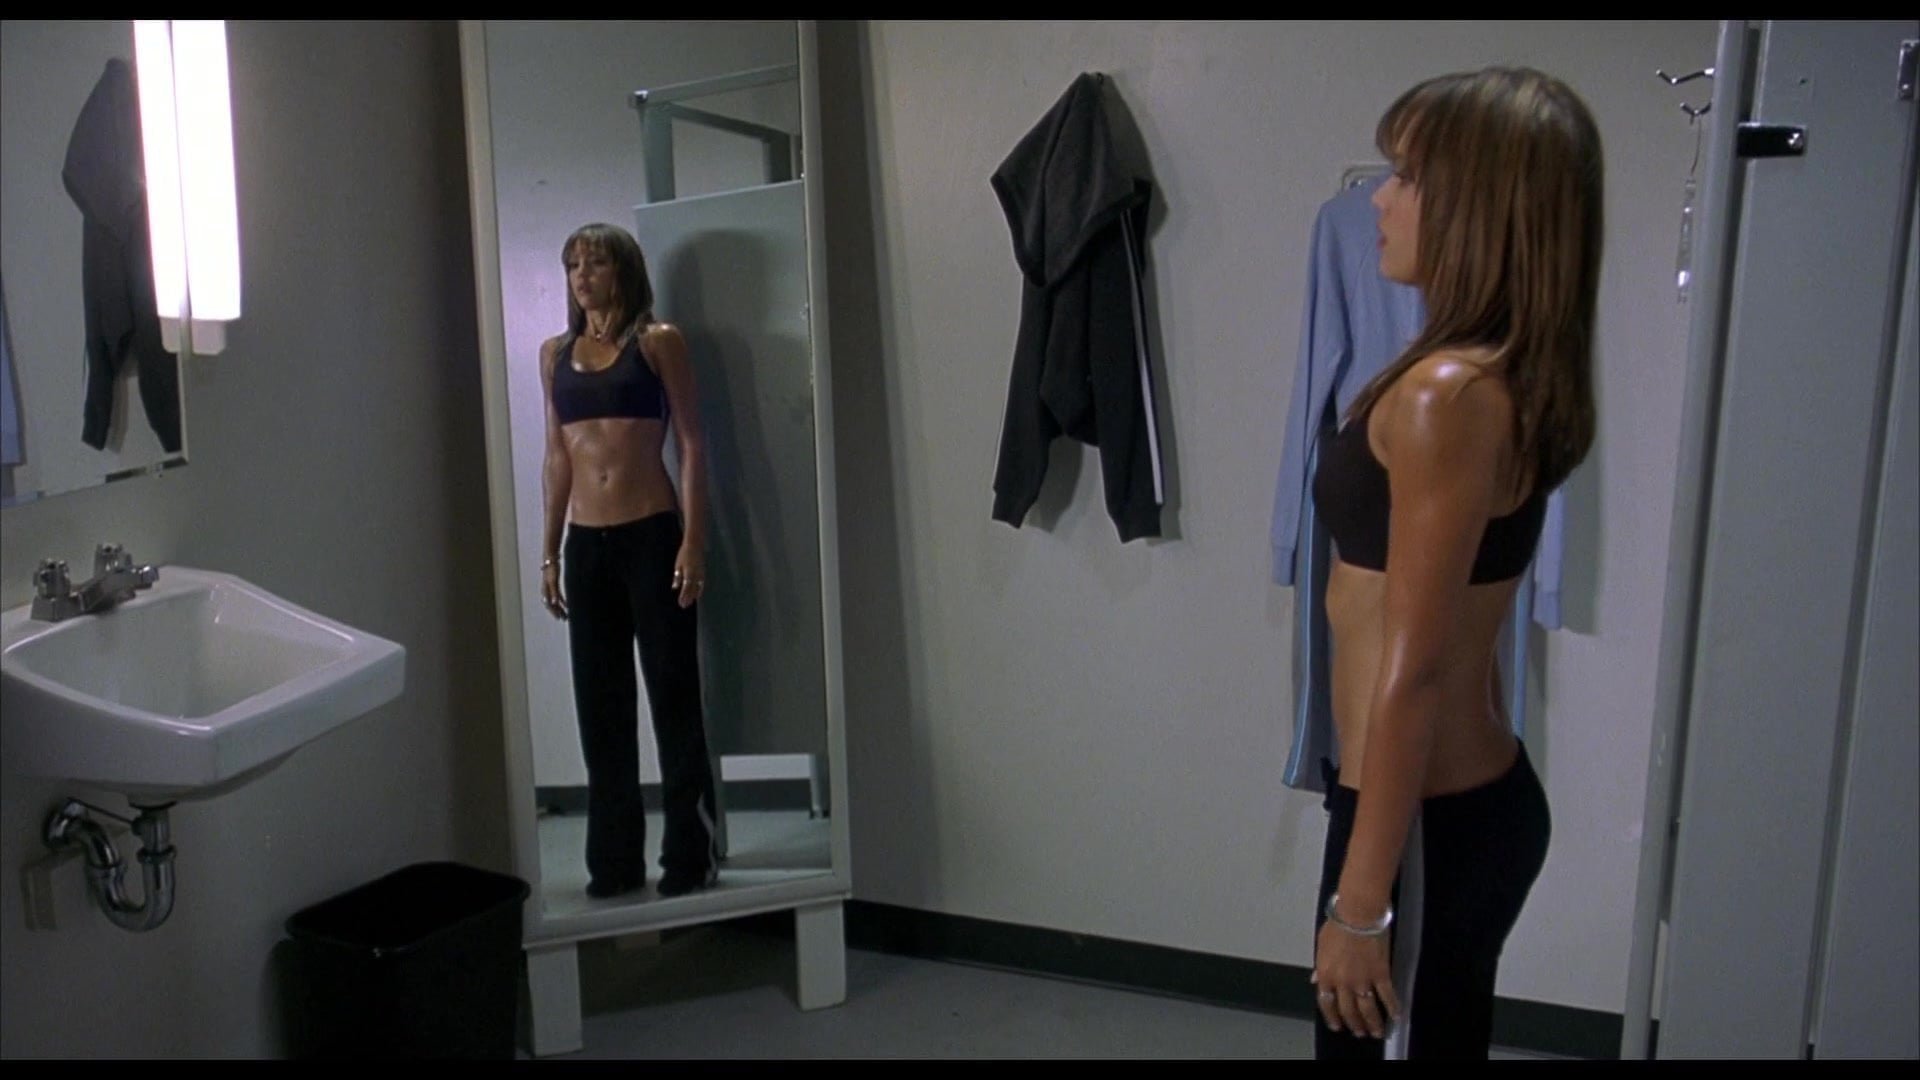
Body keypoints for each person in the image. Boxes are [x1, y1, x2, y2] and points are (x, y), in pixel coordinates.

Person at [1307, 67, 1601, 1059]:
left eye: (1407, 177)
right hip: (1424, 811)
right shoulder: (1482, 373)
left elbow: (1420, 666)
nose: (1379, 201)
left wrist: (1361, 906)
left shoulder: (1449, 395)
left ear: (1480, 210)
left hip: (1426, 825)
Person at [538, 222, 719, 900]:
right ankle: (613, 863)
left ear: (623, 271)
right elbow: (556, 458)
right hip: (587, 547)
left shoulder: (656, 342)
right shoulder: (554, 354)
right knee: (601, 707)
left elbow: (693, 444)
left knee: (673, 696)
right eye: (573, 265)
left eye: (596, 263)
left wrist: (693, 540)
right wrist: (548, 553)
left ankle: (689, 857)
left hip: (652, 536)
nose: (582, 276)